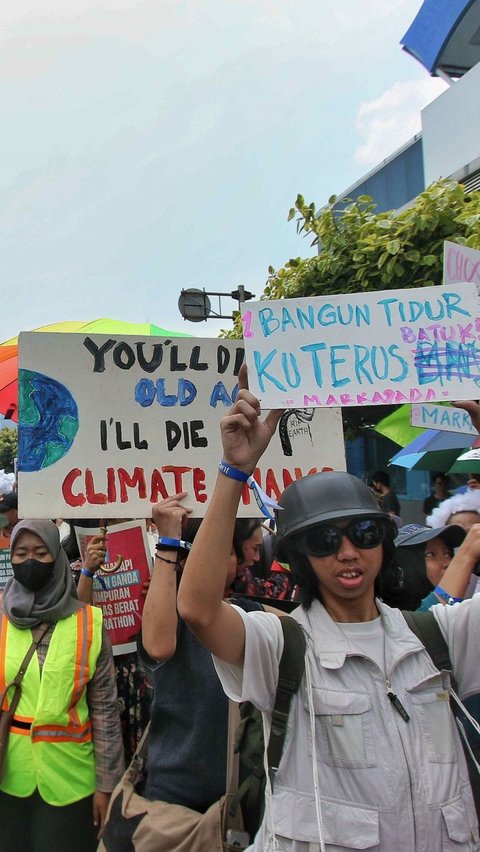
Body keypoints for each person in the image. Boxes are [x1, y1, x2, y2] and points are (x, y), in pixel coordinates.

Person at [178, 375, 480, 851]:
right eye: (324, 539)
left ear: (383, 542)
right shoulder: (281, 645)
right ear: (300, 556)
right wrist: (235, 471)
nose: (346, 552)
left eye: (362, 533)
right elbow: (197, 609)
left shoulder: (438, 636)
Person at [0, 519, 124, 852]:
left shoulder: (90, 622)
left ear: (57, 556)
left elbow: (105, 712)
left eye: (41, 552)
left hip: (71, 781)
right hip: (8, 776)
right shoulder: (1, 615)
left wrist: (107, 785)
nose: (30, 561)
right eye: (21, 553)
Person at [139, 495, 265, 812]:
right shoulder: (168, 614)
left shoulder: (251, 614)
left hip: (243, 796)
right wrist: (168, 543)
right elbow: (158, 647)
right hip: (175, 800)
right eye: (247, 547)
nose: (253, 558)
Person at [392, 522, 466, 612]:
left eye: (447, 554)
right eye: (430, 554)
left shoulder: (462, 606)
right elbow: (428, 617)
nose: (448, 563)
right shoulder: (387, 618)